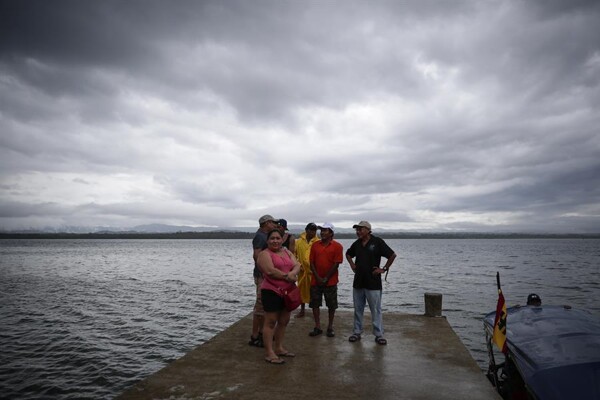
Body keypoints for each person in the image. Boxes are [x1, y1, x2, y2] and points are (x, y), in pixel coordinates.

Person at [346, 220, 396, 345]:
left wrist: (383, 269)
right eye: (357, 230)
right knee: (358, 309)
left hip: (373, 283)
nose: (358, 232)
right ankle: (357, 332)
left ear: (368, 230)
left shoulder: (377, 242)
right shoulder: (357, 244)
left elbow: (392, 255)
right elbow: (348, 254)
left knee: (376, 309)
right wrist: (352, 264)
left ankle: (378, 334)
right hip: (358, 282)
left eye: (360, 229)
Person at [257, 229, 302, 364]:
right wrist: (287, 276)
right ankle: (269, 352)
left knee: (284, 320)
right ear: (267, 240)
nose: (275, 241)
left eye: (278, 238)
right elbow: (270, 271)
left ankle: (279, 347)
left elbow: (297, 264)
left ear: (282, 240)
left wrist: (292, 272)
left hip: (287, 291)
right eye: (272, 238)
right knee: (270, 322)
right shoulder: (264, 254)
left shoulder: (287, 251)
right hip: (271, 291)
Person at [308, 223, 343, 338]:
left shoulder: (338, 246)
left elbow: (336, 263)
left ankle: (330, 327)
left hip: (331, 281)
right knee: (315, 304)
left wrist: (326, 278)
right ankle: (317, 327)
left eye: (325, 230)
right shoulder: (315, 245)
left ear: (331, 233)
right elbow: (311, 262)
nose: (322, 232)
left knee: (331, 305)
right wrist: (318, 277)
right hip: (315, 280)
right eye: (321, 230)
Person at [250, 214, 279, 348]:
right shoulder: (260, 236)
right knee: (260, 304)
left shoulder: (264, 236)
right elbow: (256, 255)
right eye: (272, 222)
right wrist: (264, 271)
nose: (274, 224)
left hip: (264, 274)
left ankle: (262, 332)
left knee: (264, 304)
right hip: (262, 275)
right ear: (266, 223)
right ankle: (256, 335)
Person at [294, 223, 319, 318]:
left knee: (314, 293)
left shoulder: (317, 242)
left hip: (313, 273)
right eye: (310, 230)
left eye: (314, 230)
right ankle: (302, 310)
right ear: (306, 230)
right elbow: (294, 254)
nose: (312, 232)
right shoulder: (298, 242)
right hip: (302, 271)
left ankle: (315, 311)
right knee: (301, 291)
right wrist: (297, 264)